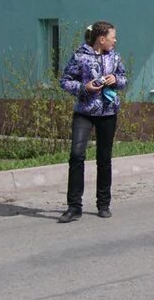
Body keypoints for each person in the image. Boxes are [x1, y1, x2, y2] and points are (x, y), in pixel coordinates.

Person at [57, 21, 127, 223]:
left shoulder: (114, 56)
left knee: (104, 159)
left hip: (108, 112)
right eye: (113, 37)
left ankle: (103, 204)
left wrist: (115, 78)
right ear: (101, 38)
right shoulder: (80, 56)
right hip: (84, 113)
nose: (115, 40)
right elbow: (65, 81)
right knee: (76, 156)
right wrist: (84, 87)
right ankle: (73, 207)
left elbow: (124, 79)